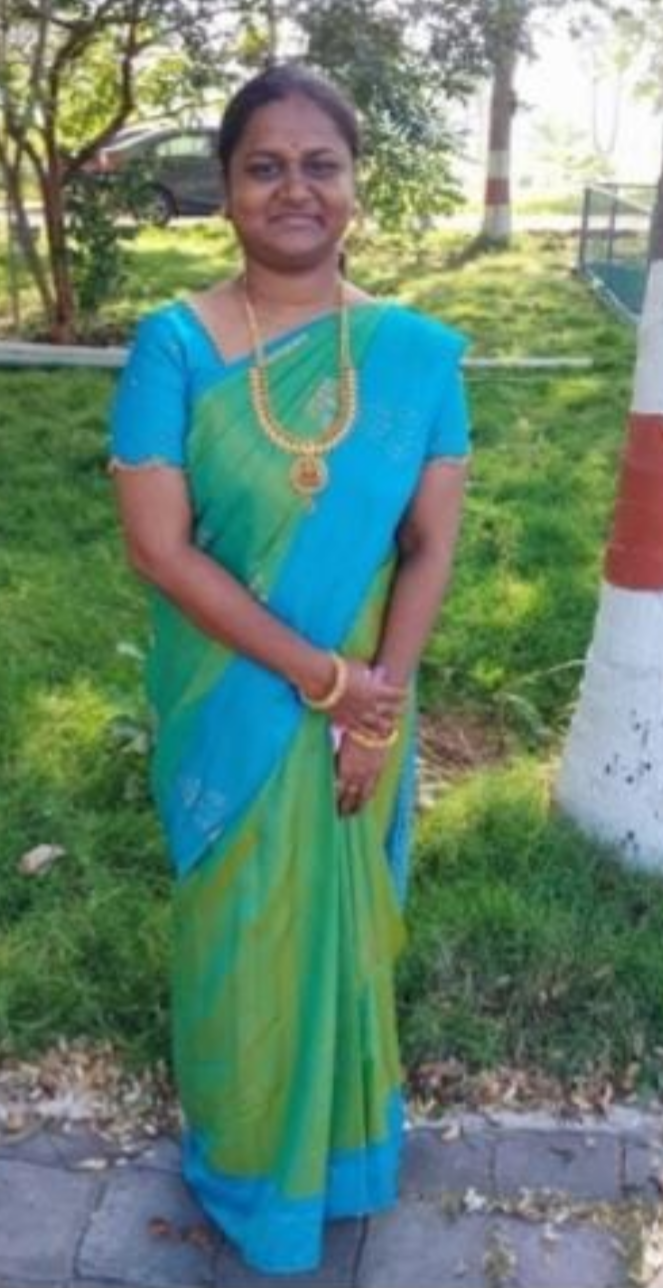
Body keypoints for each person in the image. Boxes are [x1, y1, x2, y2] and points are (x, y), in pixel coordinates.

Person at [109, 62, 470, 1276]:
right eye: (265, 166)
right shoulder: (172, 346)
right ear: (226, 188)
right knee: (236, 936)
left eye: (321, 164)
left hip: (368, 701)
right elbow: (159, 550)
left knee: (338, 932)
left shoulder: (414, 357)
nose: (295, 189)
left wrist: (376, 706)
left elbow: (428, 546)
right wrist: (325, 681)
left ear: (358, 183)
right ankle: (250, 1167)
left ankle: (344, 1158)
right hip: (232, 705)